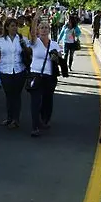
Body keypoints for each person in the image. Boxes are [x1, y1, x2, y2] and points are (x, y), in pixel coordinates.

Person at [28, 10, 61, 138]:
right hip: (36, 75)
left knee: (47, 100)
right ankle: (34, 126)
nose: (44, 30)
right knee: (35, 101)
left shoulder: (54, 44)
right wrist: (35, 19)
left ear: (49, 30)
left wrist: (56, 58)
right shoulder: (35, 42)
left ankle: (45, 119)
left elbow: (59, 59)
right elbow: (32, 34)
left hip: (49, 76)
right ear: (38, 30)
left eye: (46, 28)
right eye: (41, 28)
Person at [0, 17, 27, 129]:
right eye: (12, 26)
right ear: (7, 27)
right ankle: (9, 118)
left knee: (16, 95)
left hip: (19, 70)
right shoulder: (0, 41)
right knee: (9, 95)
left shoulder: (21, 39)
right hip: (5, 70)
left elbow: (29, 51)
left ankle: (15, 119)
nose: (14, 28)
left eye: (15, 25)